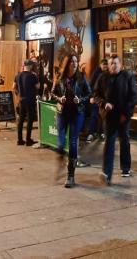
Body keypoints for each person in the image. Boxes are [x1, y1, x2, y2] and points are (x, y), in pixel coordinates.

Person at [92, 54, 137, 186]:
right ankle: (107, 173)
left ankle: (126, 168)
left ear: (120, 64)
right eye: (111, 63)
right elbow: (96, 94)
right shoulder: (102, 77)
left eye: (116, 63)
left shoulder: (127, 76)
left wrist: (126, 114)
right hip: (109, 116)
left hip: (123, 116)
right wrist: (103, 103)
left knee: (124, 141)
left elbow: (133, 97)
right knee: (109, 143)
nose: (113, 66)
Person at [53, 55, 92, 188]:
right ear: (68, 63)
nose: (75, 64)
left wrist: (80, 100)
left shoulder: (81, 77)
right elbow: (53, 93)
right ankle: (61, 158)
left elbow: (89, 93)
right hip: (62, 113)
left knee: (73, 142)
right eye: (72, 62)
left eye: (76, 61)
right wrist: (59, 99)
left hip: (77, 114)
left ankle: (71, 176)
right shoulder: (61, 77)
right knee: (60, 142)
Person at [13, 59, 40, 146]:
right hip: (30, 100)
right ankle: (28, 140)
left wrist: (18, 94)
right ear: (31, 66)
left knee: (21, 120)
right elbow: (38, 86)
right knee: (29, 120)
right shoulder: (33, 76)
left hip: (21, 100)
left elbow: (13, 87)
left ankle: (19, 140)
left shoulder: (18, 75)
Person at [87, 58, 108, 142]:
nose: (105, 67)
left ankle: (102, 133)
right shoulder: (96, 72)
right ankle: (91, 133)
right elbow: (90, 85)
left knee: (103, 116)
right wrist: (91, 97)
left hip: (104, 99)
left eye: (106, 65)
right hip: (96, 97)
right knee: (94, 115)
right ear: (100, 65)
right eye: (104, 65)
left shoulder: (108, 73)